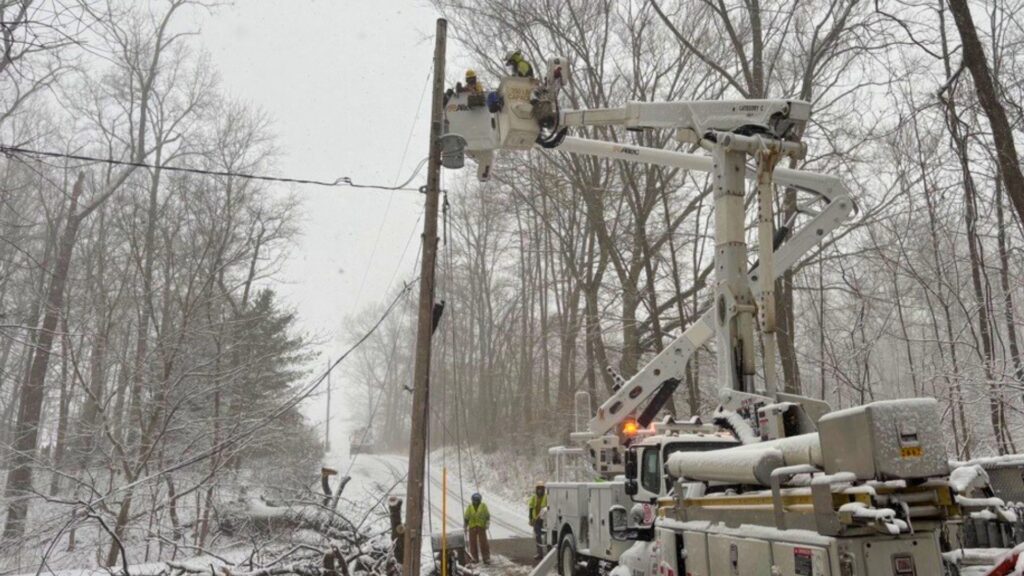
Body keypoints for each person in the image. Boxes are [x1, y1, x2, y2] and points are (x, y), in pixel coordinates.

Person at [464, 492, 491, 564]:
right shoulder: (470, 507)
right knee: (472, 543)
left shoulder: (483, 506)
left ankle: (486, 558)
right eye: (474, 500)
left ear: (480, 500)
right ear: (472, 500)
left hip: (481, 527)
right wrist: (465, 526)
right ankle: (474, 558)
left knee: (483, 543)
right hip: (472, 527)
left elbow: (487, 516)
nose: (475, 501)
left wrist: (487, 523)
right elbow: (466, 517)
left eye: (477, 500)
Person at [528, 481, 548, 560]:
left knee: (547, 536)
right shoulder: (534, 497)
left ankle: (549, 553)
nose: (540, 490)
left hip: (544, 520)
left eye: (541, 489)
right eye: (538, 489)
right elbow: (531, 508)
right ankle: (540, 553)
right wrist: (530, 519)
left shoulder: (546, 497)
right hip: (536, 519)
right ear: (536, 489)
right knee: (537, 536)